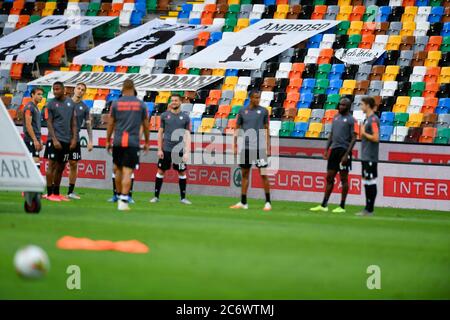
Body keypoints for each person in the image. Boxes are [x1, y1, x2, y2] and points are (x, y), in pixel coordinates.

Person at [106, 79, 149, 211]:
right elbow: (146, 125)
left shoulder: (116, 103)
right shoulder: (141, 105)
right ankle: (123, 200)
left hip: (118, 141)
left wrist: (108, 140)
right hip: (132, 142)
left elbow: (111, 123)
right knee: (127, 172)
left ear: (123, 88)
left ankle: (119, 196)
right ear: (133, 87)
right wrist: (147, 141)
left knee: (118, 169)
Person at [310, 97, 356, 213]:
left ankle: (342, 206)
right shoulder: (336, 118)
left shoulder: (352, 120)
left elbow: (354, 138)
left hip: (344, 151)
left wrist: (347, 154)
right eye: (340, 104)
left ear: (348, 107)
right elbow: (331, 134)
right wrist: (326, 149)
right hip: (334, 150)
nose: (341, 107)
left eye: (344, 105)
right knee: (329, 177)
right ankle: (324, 204)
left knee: (344, 179)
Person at [230, 91, 272, 211]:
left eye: (258, 98)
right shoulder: (243, 111)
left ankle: (268, 202)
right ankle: (243, 202)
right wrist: (234, 145)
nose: (257, 100)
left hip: (260, 148)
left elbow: (267, 129)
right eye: (255, 98)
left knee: (263, 174)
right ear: (250, 98)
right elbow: (237, 129)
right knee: (244, 174)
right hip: (246, 148)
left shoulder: (264, 111)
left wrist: (268, 147)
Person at [149, 94, 192, 204]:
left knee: (182, 172)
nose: (174, 102)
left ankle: (183, 198)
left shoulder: (186, 117)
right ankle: (156, 197)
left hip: (180, 151)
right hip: (166, 149)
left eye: (176, 100)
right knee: (160, 171)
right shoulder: (164, 116)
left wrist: (187, 152)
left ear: (180, 102)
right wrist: (159, 149)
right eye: (172, 100)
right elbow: (160, 133)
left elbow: (187, 135)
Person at [44, 82, 77, 202]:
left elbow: (73, 122)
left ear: (64, 90)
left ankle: (56, 193)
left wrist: (74, 138)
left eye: (57, 89)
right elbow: (49, 123)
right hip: (54, 140)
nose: (55, 91)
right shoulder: (50, 104)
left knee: (61, 167)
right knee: (51, 165)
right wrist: (54, 139)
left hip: (66, 140)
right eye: (54, 89)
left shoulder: (70, 103)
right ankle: (49, 193)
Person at [67, 83, 93, 200]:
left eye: (83, 90)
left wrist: (90, 140)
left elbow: (88, 125)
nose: (80, 91)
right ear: (74, 89)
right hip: (63, 139)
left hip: (75, 140)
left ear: (84, 92)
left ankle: (70, 192)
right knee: (58, 164)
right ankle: (52, 191)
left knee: (73, 164)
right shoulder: (65, 103)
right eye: (78, 88)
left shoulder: (85, 108)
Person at [357, 96, 380, 216]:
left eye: (362, 104)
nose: (361, 107)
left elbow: (376, 138)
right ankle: (367, 208)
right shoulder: (367, 120)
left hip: (371, 156)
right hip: (366, 155)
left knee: (371, 181)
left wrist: (363, 132)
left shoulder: (374, 120)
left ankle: (370, 209)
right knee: (366, 182)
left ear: (367, 105)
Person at [23, 87, 44, 170]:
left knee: (35, 164)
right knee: (35, 165)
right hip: (30, 139)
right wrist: (35, 140)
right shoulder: (29, 107)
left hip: (35, 139)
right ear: (32, 95)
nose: (41, 96)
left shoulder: (37, 107)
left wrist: (39, 139)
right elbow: (28, 125)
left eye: (41, 95)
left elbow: (36, 126)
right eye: (38, 94)